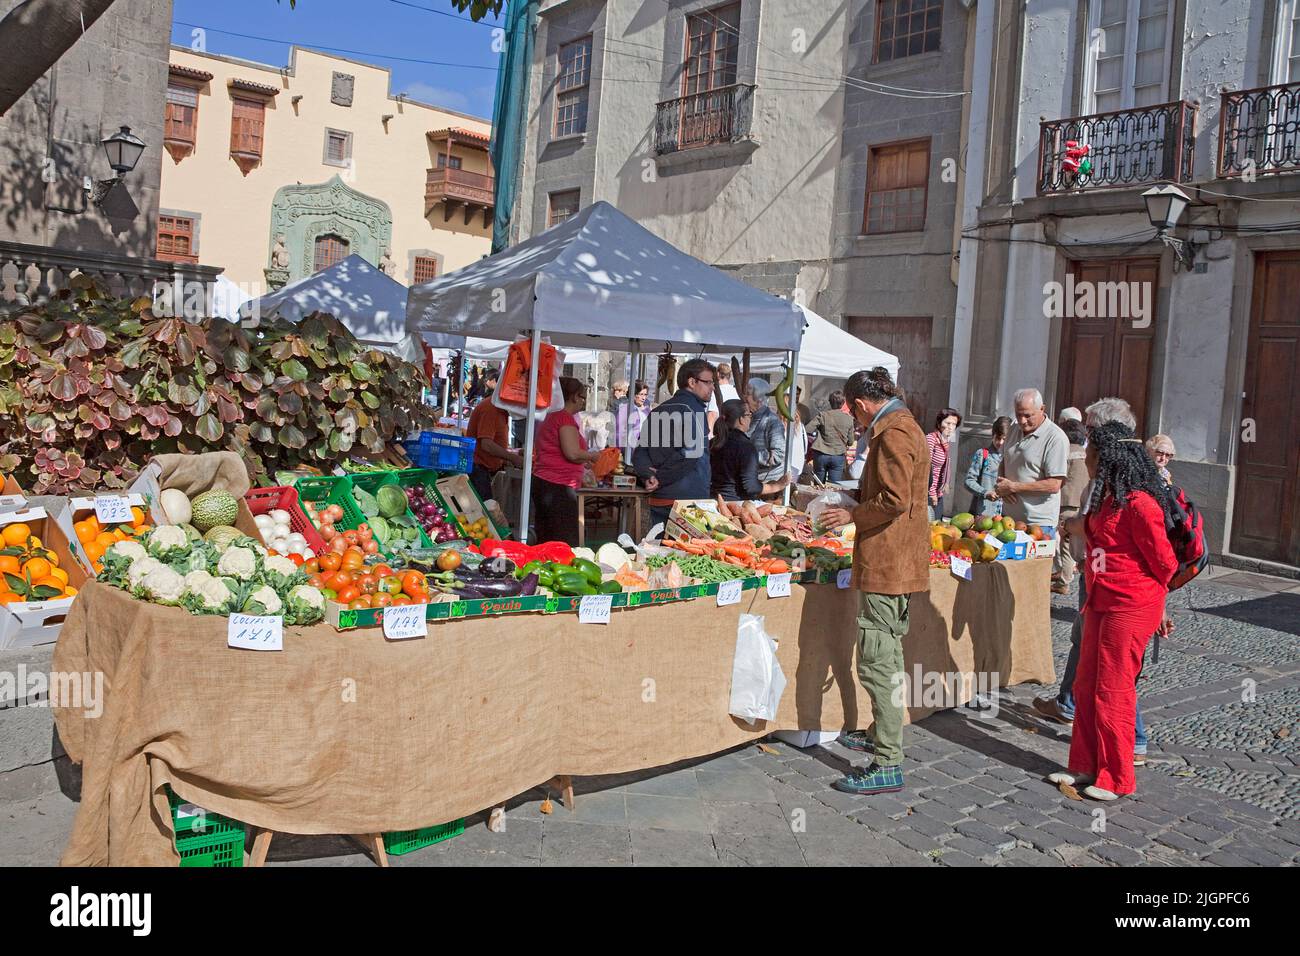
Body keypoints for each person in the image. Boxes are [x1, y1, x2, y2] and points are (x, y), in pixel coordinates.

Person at [1047, 421, 1177, 801]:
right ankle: (1086, 764)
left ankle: (1116, 777)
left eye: (1089, 454)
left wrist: (1160, 607)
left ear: (1107, 459)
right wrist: (1072, 525)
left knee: (1113, 690)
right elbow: (1094, 528)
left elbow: (1165, 563)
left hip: (1131, 607)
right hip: (1101, 600)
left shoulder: (1141, 504)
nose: (1084, 459)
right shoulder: (1110, 496)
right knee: (1086, 684)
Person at [817, 367, 929, 796]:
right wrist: (855, 498)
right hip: (893, 559)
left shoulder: (894, 431)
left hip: (889, 562)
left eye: (856, 417)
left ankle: (888, 762)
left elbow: (896, 499)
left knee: (878, 661)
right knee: (888, 657)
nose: (857, 425)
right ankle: (881, 731)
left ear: (859, 405)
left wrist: (852, 513)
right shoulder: (903, 425)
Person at [1033, 397, 1150, 768]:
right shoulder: (1107, 479)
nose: (1085, 442)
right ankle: (1071, 712)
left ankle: (1132, 745)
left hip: (1120, 594)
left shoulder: (1130, 489)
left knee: (1113, 674)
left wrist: (1071, 527)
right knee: (1086, 654)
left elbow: (1155, 557)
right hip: (1095, 578)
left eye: (1090, 432)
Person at [633, 358, 714, 531]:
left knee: (659, 552)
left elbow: (640, 453)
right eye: (708, 382)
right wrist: (658, 477)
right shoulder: (695, 410)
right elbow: (691, 453)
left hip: (661, 498)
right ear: (692, 382)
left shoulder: (658, 411)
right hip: (688, 503)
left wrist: (649, 475)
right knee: (687, 555)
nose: (712, 387)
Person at [531, 377, 603, 546]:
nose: (583, 402)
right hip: (557, 486)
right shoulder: (564, 418)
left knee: (547, 537)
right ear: (574, 397)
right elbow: (572, 453)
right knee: (563, 539)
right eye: (583, 397)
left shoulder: (549, 416)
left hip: (545, 481)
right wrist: (592, 456)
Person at [994, 388, 1069, 534]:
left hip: (1039, 523)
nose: (1022, 421)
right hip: (1008, 520)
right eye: (1018, 414)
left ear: (1042, 409)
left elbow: (1054, 484)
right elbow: (1005, 459)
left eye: (1028, 415)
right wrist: (1003, 484)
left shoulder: (1055, 438)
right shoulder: (1014, 428)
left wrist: (1014, 487)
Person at [710, 400, 789, 501]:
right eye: (749, 415)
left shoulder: (713, 442)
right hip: (735, 505)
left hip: (712, 500)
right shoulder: (746, 447)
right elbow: (751, 487)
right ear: (741, 419)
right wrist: (778, 485)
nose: (751, 418)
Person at [465, 375, 523, 504]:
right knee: (486, 510)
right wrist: (512, 458)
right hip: (478, 469)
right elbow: (487, 444)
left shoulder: (501, 411)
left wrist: (511, 454)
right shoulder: (491, 409)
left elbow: (495, 441)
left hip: (486, 469)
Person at [1052, 418, 1091, 594]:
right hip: (1084, 504)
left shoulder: (1065, 453)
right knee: (1074, 542)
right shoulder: (1087, 453)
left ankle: (1064, 581)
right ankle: (1066, 573)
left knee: (1065, 542)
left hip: (1067, 502)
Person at [963, 416, 1011, 516]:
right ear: (993, 435)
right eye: (998, 438)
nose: (1001, 442)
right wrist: (985, 493)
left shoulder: (1014, 459)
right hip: (984, 514)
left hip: (1006, 517)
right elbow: (968, 481)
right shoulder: (982, 454)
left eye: (1004, 439)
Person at [743, 379, 788, 485]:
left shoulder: (773, 422)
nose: (745, 397)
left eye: (748, 394)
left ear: (758, 399)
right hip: (751, 479)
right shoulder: (748, 417)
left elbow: (778, 455)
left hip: (768, 482)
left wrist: (747, 456)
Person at [808, 390, 856, 483]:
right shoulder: (849, 419)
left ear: (830, 402)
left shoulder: (823, 415)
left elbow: (808, 429)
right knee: (834, 486)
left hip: (821, 454)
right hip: (838, 455)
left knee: (818, 485)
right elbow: (850, 442)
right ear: (843, 403)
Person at [925, 407, 962, 520]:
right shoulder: (931, 439)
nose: (951, 427)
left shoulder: (945, 442)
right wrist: (931, 494)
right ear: (939, 422)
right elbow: (926, 468)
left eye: (954, 424)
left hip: (938, 491)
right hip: (928, 493)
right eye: (948, 423)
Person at [616, 380, 652, 465]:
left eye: (645, 395)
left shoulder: (646, 410)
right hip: (629, 451)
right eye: (641, 394)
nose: (643, 398)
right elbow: (619, 432)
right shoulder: (625, 409)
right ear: (634, 394)